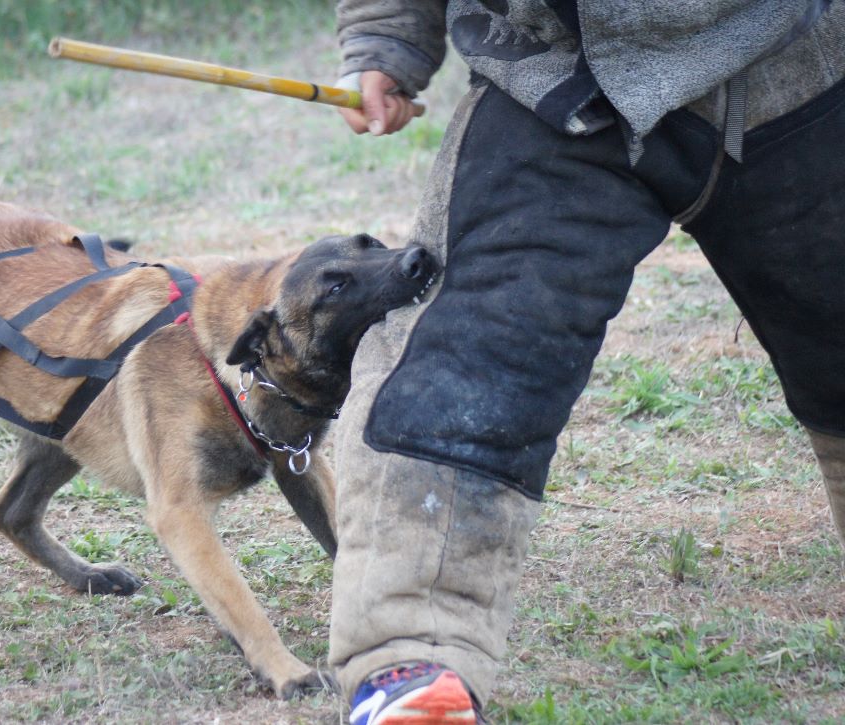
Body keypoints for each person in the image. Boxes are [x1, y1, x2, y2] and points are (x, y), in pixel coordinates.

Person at [327, 1, 845, 723]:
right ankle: (414, 655)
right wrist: (386, 35)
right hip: (553, 75)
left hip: (796, 57)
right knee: (465, 362)